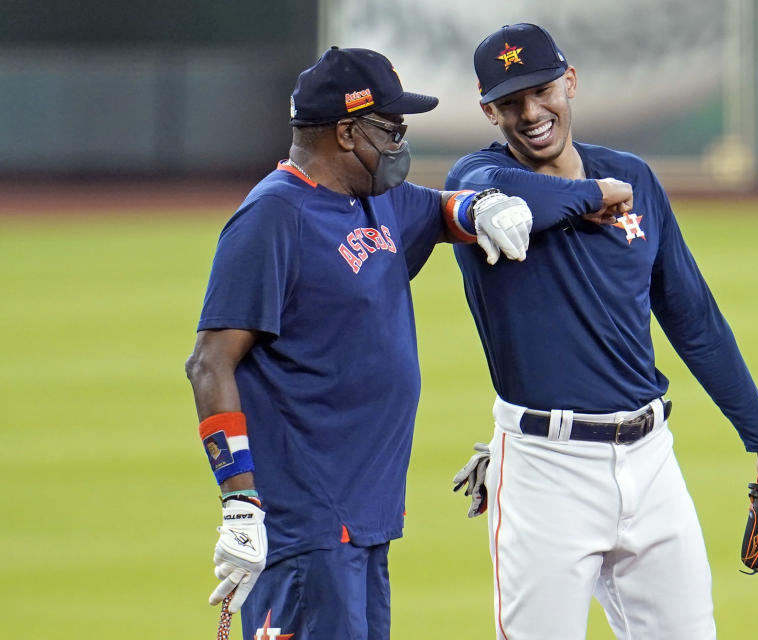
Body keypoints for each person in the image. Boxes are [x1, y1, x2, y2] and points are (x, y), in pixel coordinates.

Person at [446, 23, 758, 640]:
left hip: (652, 462)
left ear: (569, 82)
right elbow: (491, 196)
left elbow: (693, 319)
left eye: (542, 90)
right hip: (547, 466)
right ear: (488, 109)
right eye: (510, 102)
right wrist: (591, 195)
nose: (531, 113)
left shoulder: (636, 177)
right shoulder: (479, 181)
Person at [185, 46, 539, 640]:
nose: (402, 142)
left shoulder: (375, 199)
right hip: (307, 530)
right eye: (392, 129)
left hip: (364, 522)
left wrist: (481, 205)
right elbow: (209, 363)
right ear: (347, 133)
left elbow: (443, 210)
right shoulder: (273, 216)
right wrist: (240, 504)